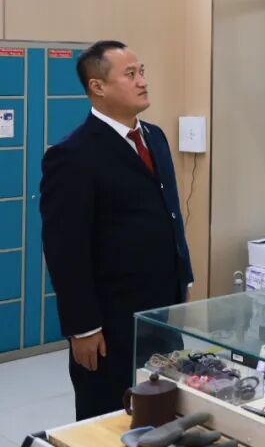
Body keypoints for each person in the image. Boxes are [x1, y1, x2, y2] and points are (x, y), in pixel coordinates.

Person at [40, 41, 193, 420]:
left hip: (160, 310)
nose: (142, 81)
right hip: (110, 320)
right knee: (110, 416)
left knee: (163, 410)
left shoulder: (154, 137)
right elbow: (65, 250)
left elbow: (170, 215)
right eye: (130, 74)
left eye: (142, 72)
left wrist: (183, 278)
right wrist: (83, 328)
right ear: (98, 87)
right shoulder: (72, 155)